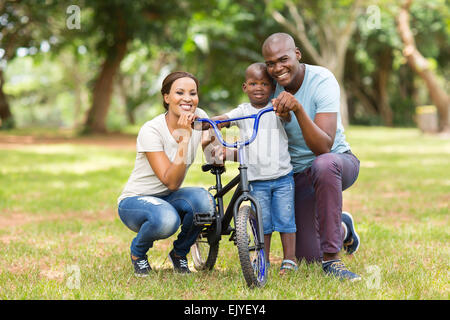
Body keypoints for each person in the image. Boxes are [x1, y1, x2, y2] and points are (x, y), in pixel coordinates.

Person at [262, 33, 362, 281]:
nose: (277, 68)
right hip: (296, 176)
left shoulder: (322, 79)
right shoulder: (268, 86)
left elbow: (323, 146)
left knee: (324, 164)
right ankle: (342, 227)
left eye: (283, 59)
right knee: (307, 255)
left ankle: (332, 260)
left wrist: (297, 109)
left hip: (337, 163)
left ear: (297, 54)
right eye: (270, 63)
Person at [117, 71, 216, 276]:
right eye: (180, 92)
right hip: (136, 201)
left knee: (205, 202)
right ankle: (138, 253)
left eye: (193, 93)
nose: (188, 98)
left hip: (169, 198)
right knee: (166, 219)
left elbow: (214, 157)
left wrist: (215, 147)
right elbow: (171, 182)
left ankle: (179, 254)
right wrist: (185, 139)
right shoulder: (151, 130)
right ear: (166, 97)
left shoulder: (201, 118)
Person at [212, 62, 297, 275]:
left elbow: (286, 117)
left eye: (264, 84)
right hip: (256, 179)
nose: (258, 87)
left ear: (272, 87)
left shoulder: (277, 107)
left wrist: (284, 112)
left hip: (282, 177)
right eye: (253, 83)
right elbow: (225, 119)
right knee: (262, 223)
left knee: (286, 220)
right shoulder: (242, 111)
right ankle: (263, 259)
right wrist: (212, 122)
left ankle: (289, 259)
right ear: (245, 87)